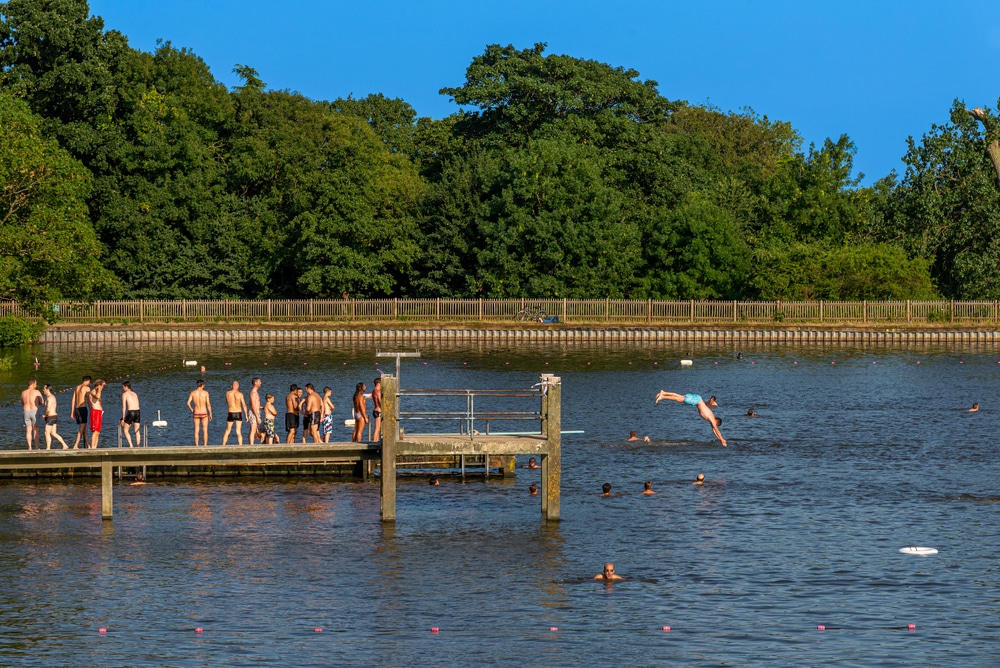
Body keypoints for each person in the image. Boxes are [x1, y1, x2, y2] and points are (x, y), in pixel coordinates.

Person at [654, 391, 727, 447]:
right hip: (697, 401)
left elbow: (714, 430)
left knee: (680, 397)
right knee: (679, 399)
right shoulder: (712, 419)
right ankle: (663, 397)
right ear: (717, 422)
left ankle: (663, 393)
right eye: (716, 425)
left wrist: (720, 439)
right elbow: (716, 430)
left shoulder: (711, 419)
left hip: (697, 399)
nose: (715, 426)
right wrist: (722, 440)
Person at [186, 379, 212, 446]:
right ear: (202, 385)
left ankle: (197, 445)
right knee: (205, 430)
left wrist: (192, 410)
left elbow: (188, 403)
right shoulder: (206, 393)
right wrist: (210, 413)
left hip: (196, 412)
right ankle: (205, 445)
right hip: (204, 412)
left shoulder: (193, 393)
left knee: (196, 430)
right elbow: (208, 404)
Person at [41, 384, 67, 450]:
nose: (43, 390)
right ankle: (64, 445)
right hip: (54, 416)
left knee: (47, 433)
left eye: (44, 389)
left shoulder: (50, 398)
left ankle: (48, 448)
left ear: (47, 389)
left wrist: (45, 415)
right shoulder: (52, 397)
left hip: (51, 417)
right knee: (53, 433)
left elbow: (48, 409)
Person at [222, 380, 248, 446]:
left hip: (231, 412)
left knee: (227, 431)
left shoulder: (227, 393)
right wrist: (246, 415)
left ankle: (223, 445)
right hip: (238, 412)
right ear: (238, 386)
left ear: (231, 386)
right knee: (238, 431)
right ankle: (240, 445)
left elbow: (227, 402)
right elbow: (244, 405)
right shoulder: (240, 394)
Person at [20, 379, 43, 449]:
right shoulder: (36, 392)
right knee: (35, 429)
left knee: (28, 430)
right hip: (34, 411)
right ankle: (36, 446)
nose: (36, 385)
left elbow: (22, 402)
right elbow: (42, 401)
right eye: (36, 384)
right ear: (33, 384)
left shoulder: (23, 392)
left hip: (26, 411)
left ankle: (29, 447)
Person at [71, 375, 92, 449]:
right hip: (82, 408)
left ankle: (88, 444)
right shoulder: (87, 388)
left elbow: (73, 399)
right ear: (88, 381)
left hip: (77, 409)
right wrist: (91, 409)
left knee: (84, 427)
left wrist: (72, 411)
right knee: (82, 427)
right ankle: (76, 445)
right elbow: (89, 400)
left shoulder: (77, 387)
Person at [120, 380, 141, 447]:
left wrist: (123, 418)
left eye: (123, 387)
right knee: (137, 430)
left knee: (125, 430)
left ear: (126, 387)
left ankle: (131, 445)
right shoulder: (135, 393)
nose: (122, 389)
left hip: (131, 412)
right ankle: (138, 446)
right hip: (137, 411)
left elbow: (124, 406)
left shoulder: (125, 394)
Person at [88, 379, 107, 449]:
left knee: (98, 431)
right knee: (95, 431)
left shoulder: (98, 391)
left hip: (99, 412)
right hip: (95, 412)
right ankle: (92, 447)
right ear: (98, 385)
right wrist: (99, 389)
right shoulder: (93, 391)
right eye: (102, 386)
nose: (102, 387)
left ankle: (95, 446)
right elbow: (97, 396)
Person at [247, 377, 262, 445]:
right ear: (255, 383)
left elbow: (256, 405)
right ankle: (251, 445)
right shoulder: (253, 393)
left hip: (256, 412)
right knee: (253, 429)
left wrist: (264, 407)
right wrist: (257, 417)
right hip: (253, 412)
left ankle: (251, 443)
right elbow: (253, 406)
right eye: (259, 381)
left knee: (254, 429)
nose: (260, 383)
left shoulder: (256, 392)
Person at [372, 377, 383, 442]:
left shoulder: (373, 390)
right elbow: (379, 401)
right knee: (377, 428)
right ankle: (375, 442)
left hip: (375, 410)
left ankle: (376, 441)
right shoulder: (378, 391)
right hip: (378, 411)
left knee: (378, 428)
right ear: (378, 383)